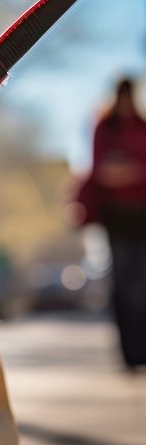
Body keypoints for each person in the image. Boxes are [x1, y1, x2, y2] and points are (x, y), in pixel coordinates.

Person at [86, 77, 146, 369]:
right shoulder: (104, 127)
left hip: (142, 213)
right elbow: (100, 170)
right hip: (117, 215)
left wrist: (127, 171)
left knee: (142, 285)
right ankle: (130, 354)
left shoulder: (142, 126)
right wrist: (128, 172)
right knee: (123, 284)